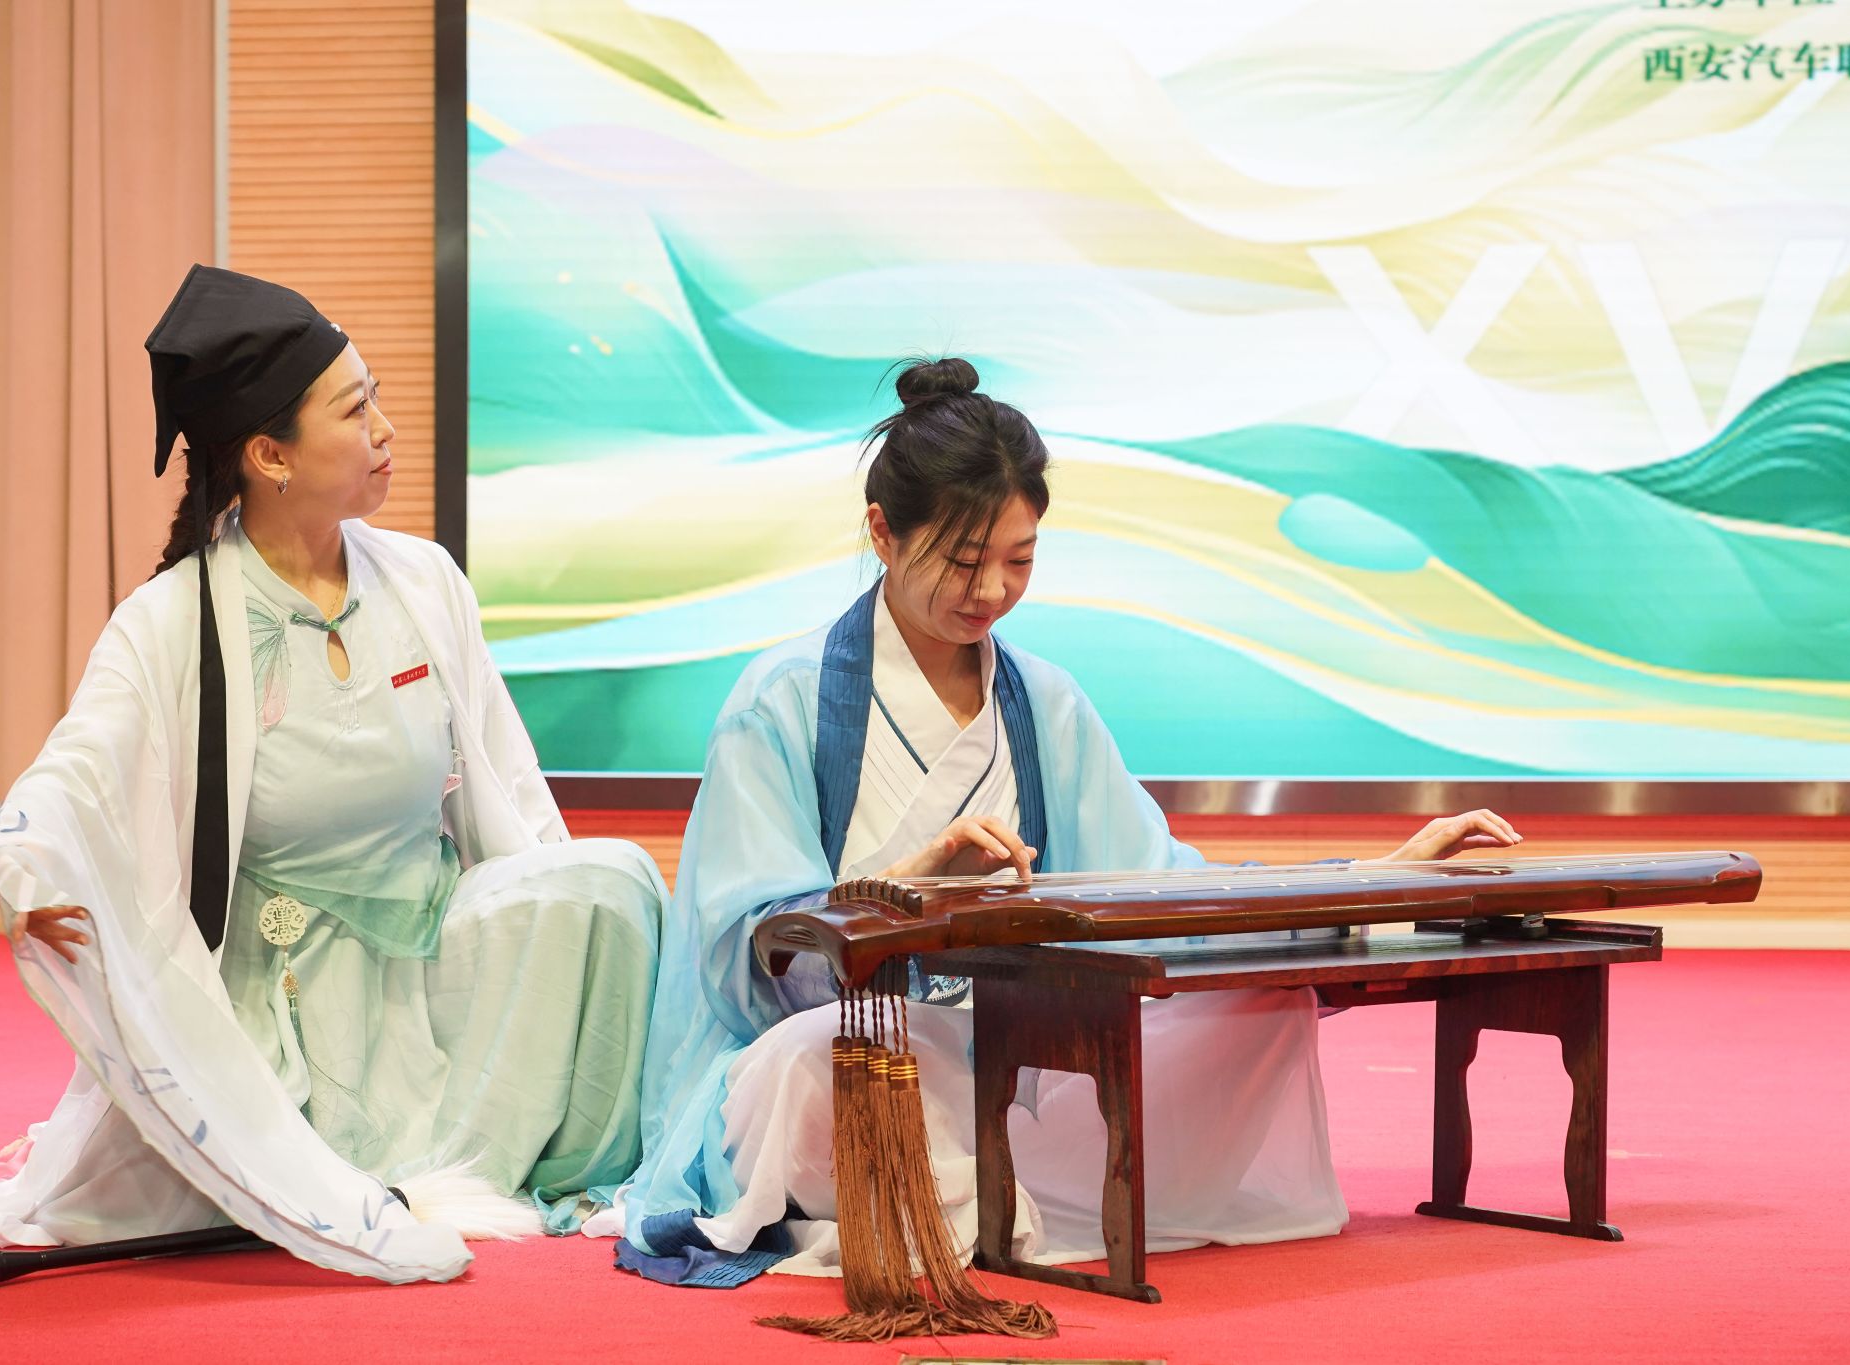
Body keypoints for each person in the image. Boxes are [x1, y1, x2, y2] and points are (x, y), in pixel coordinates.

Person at [602, 357, 1521, 1285]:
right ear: (882, 531)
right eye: (963, 560)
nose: (991, 590)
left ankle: (983, 1199)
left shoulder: (1045, 702)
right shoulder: (782, 700)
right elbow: (747, 959)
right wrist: (903, 894)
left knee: (1262, 1008)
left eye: (1019, 560)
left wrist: (1370, 881)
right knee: (822, 1062)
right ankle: (998, 1197)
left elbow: (1160, 886)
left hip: (1014, 1046)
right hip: (853, 1041)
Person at [0, 265, 667, 1285]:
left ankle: (543, 1158)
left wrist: (558, 937)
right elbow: (79, 766)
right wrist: (27, 862)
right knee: (273, 1153)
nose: (385, 430)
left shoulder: (425, 580)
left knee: (612, 881)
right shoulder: (174, 618)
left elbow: (512, 783)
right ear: (269, 454)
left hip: (432, 935)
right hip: (283, 984)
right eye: (354, 411)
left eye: (376, 400)